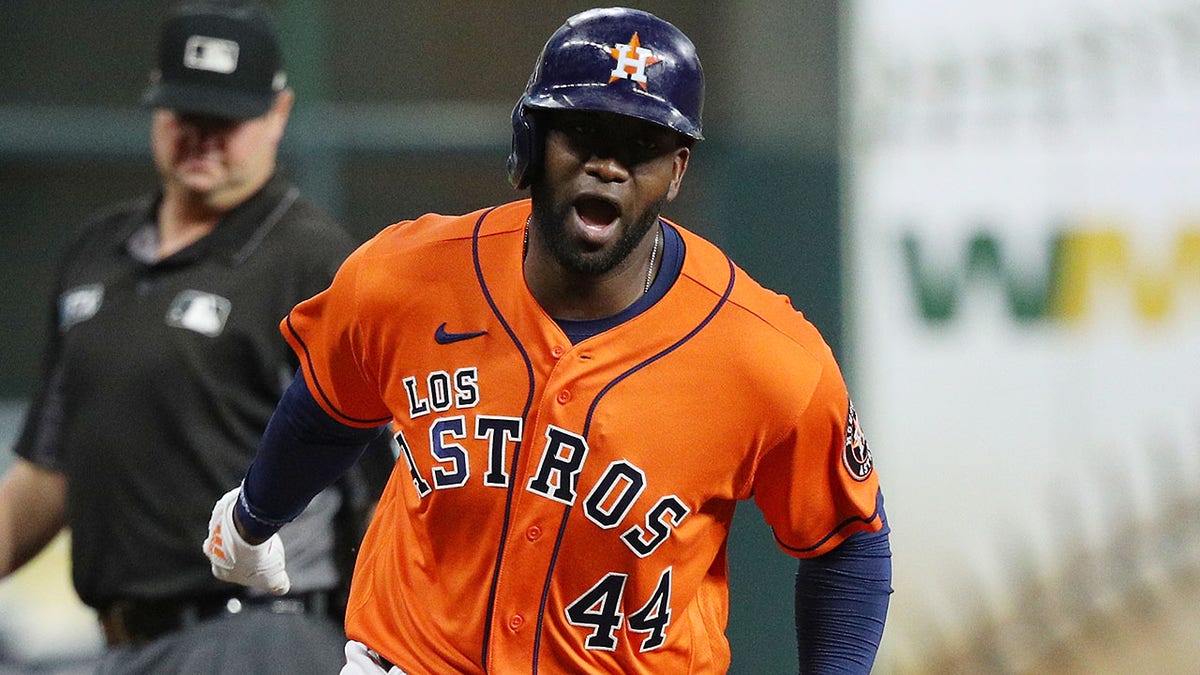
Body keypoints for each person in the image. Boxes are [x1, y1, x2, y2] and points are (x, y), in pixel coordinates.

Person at [203, 6, 892, 674]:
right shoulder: (405, 278)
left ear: (677, 171)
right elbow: (329, 404)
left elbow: (848, 540)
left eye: (641, 146)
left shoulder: (763, 355)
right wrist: (252, 514)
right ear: (530, 143)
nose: (608, 166)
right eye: (584, 133)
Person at [0, 1, 392, 673]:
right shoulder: (97, 251)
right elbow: (50, 468)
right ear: (156, 107)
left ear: (278, 114)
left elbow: (385, 481)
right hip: (123, 643)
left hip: (265, 634)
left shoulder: (312, 262)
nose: (203, 138)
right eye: (187, 114)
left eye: (227, 119)